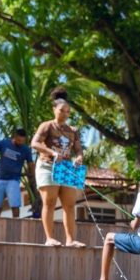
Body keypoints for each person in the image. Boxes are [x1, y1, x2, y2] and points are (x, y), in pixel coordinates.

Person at [30, 87, 85, 247]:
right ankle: (49, 238)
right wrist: (52, 153)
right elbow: (34, 143)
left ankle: (70, 240)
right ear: (54, 109)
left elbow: (78, 149)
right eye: (62, 110)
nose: (65, 114)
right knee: (50, 202)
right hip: (47, 165)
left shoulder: (73, 130)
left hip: (66, 168)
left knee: (69, 204)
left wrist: (79, 157)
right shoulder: (46, 126)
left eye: (68, 111)